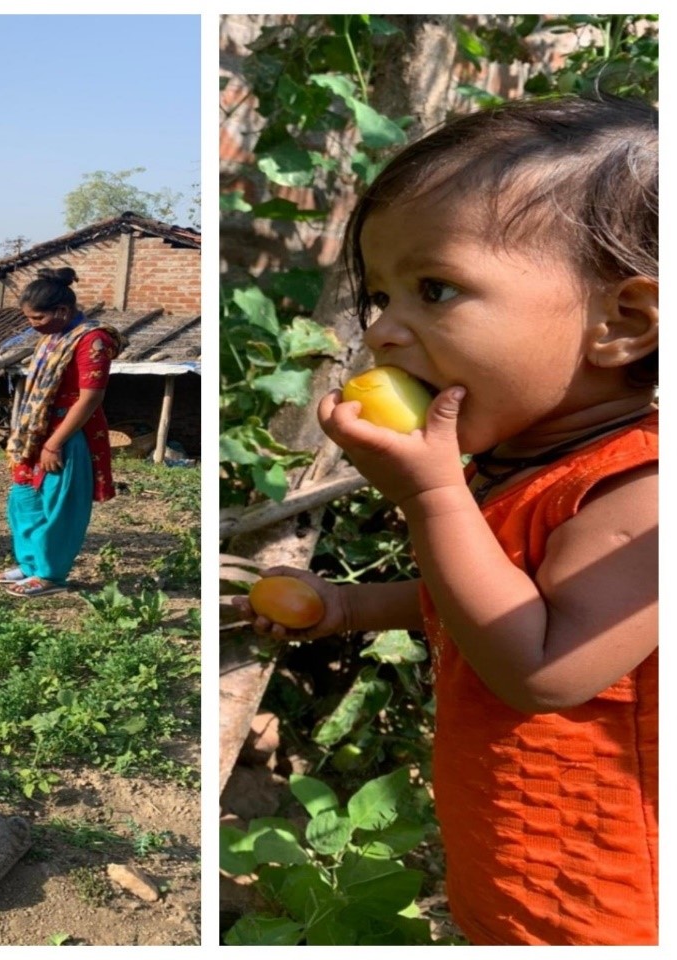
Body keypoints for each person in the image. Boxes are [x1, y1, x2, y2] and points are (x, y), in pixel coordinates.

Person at [235, 96, 657, 945]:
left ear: (621, 322)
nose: (384, 332)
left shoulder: (645, 491)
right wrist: (351, 607)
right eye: (382, 295)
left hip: (606, 901)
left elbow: (544, 667)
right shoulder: (529, 462)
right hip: (514, 866)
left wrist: (429, 497)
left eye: (435, 289)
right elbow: (502, 596)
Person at [0, 267, 124, 598]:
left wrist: (55, 443)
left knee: (59, 503)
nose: (32, 324)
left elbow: (91, 396)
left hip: (68, 432)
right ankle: (30, 564)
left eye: (37, 317)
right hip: (38, 428)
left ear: (62, 311)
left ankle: (51, 574)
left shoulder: (92, 340)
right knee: (24, 497)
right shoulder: (53, 337)